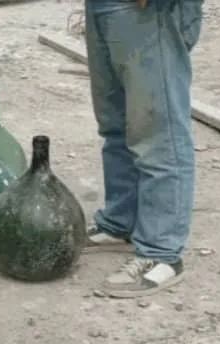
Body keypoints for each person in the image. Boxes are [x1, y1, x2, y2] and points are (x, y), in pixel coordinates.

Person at [83, 0, 203, 298]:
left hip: (149, 10)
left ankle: (161, 253)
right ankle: (120, 222)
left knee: (158, 133)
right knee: (116, 123)